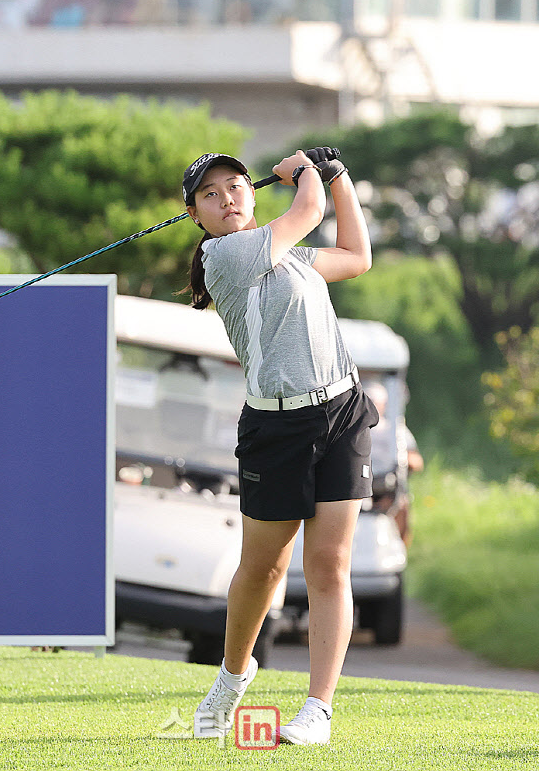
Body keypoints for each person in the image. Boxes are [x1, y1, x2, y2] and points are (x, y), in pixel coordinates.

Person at [180, 147, 379, 746]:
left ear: (253, 193)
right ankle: (232, 677)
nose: (227, 198)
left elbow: (357, 256)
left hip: (341, 413)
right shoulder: (225, 257)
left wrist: (340, 176)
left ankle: (317, 710)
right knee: (262, 569)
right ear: (194, 215)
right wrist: (311, 175)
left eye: (236, 186)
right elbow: (309, 206)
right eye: (210, 195)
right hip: (276, 430)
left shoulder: (289, 257)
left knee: (329, 565)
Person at [362, 380, 424, 546]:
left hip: (386, 483)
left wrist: (406, 462)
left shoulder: (394, 429)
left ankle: (399, 548)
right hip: (359, 482)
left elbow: (415, 460)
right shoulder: (353, 430)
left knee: (402, 504)